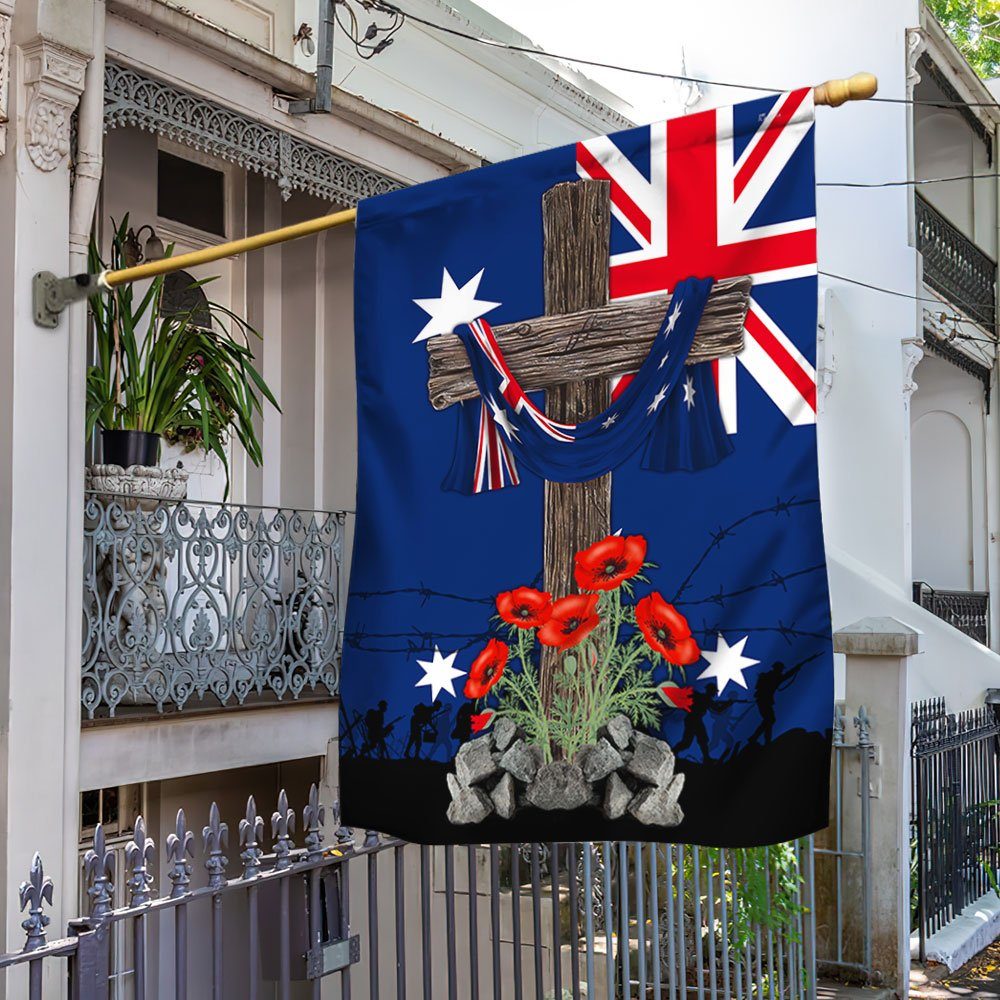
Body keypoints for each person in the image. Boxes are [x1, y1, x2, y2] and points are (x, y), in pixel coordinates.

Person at [746, 656, 814, 746]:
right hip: (764, 701)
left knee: (769, 720)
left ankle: (760, 739)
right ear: (777, 669)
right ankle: (758, 739)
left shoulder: (769, 676)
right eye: (781, 669)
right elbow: (786, 676)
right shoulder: (773, 677)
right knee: (770, 719)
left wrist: (798, 667)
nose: (781, 671)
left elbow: (785, 676)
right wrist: (797, 667)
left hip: (763, 701)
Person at [673, 682, 735, 762]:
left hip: (695, 720)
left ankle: (706, 758)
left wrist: (726, 703)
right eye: (714, 692)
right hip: (693, 719)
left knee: (702, 739)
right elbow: (718, 709)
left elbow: (716, 708)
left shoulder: (702, 697)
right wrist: (728, 703)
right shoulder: (704, 698)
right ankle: (672, 752)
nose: (715, 693)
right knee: (688, 742)